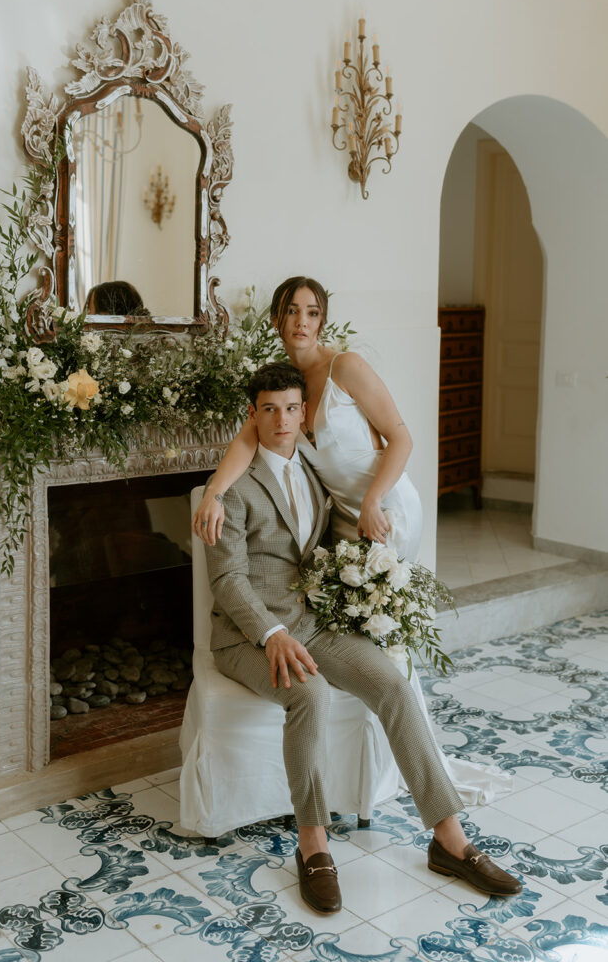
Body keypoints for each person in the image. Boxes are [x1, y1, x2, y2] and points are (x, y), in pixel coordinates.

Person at [206, 361, 522, 914]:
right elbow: (227, 579)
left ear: (303, 413)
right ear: (252, 417)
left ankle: (449, 839)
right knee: (309, 694)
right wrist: (272, 633)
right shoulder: (233, 486)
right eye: (268, 409)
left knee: (395, 685)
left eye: (290, 408)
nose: (281, 419)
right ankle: (313, 841)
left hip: (313, 623)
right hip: (246, 637)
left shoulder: (310, 470)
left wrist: (372, 574)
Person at [193, 276, 511, 807]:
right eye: (292, 312)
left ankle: (395, 768)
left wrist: (373, 502)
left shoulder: (346, 368)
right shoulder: (287, 388)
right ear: (277, 319)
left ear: (323, 320)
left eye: (312, 312)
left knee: (383, 626)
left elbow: (402, 437)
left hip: (384, 509)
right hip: (339, 516)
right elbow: (250, 434)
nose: (301, 322)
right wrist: (214, 493)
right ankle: (374, 764)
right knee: (356, 624)